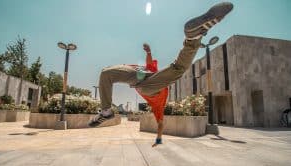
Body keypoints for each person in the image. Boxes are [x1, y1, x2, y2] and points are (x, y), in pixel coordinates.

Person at [89, 2, 234, 146]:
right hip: (139, 76)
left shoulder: (158, 101)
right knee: (106, 73)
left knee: (175, 69)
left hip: (147, 85)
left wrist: (158, 139)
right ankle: (106, 111)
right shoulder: (159, 101)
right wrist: (149, 52)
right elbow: (150, 66)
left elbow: (160, 124)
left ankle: (193, 38)